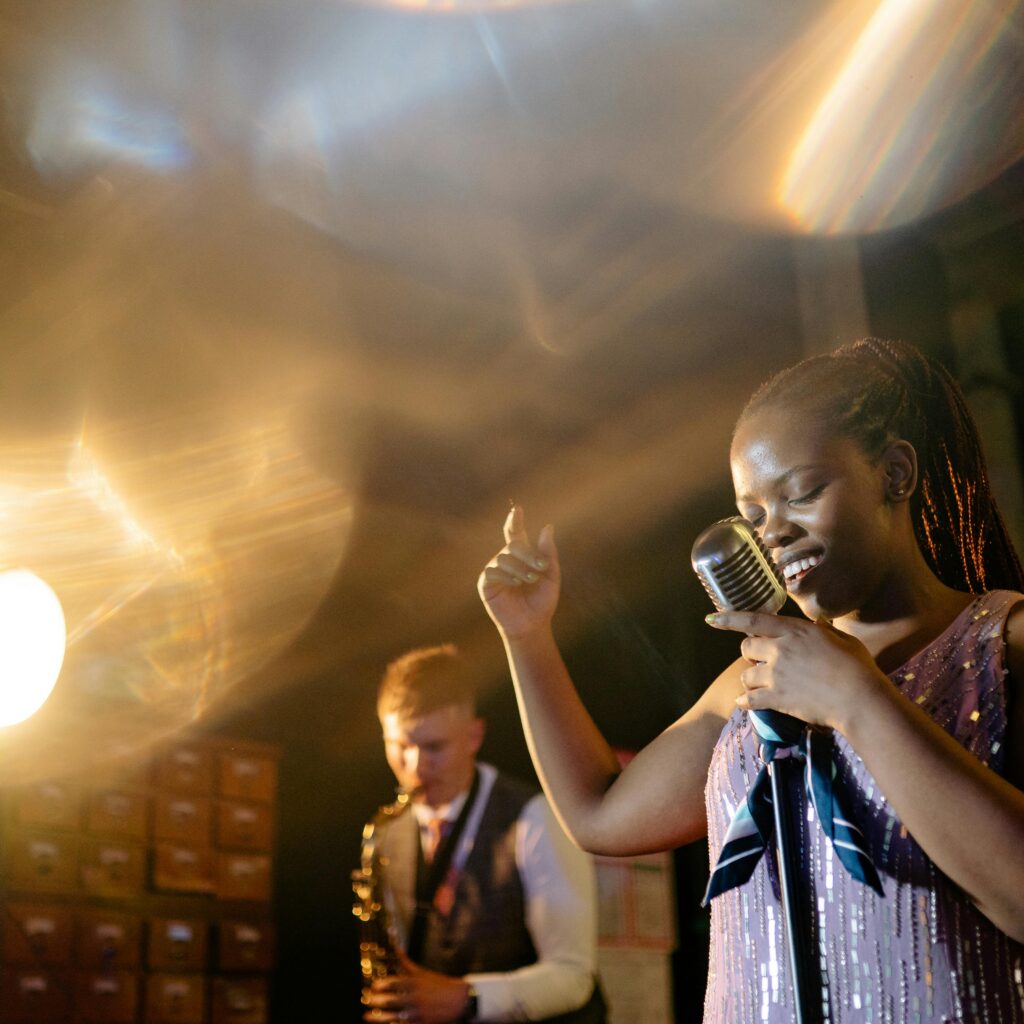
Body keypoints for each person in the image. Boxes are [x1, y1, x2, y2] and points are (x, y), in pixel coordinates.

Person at [478, 338, 1024, 1022]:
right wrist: (527, 638)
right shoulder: (751, 683)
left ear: (894, 473)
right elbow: (597, 813)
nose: (775, 534)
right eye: (755, 515)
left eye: (801, 494)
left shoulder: (1001, 643)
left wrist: (857, 700)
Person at [360, 643, 607, 1024]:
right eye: (400, 746)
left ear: (474, 736)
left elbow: (574, 977)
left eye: (434, 747)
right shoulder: (387, 832)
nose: (415, 766)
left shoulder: (535, 816)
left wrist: (468, 998)